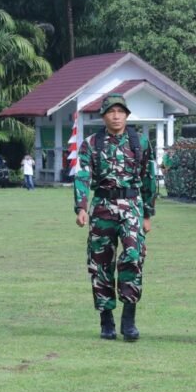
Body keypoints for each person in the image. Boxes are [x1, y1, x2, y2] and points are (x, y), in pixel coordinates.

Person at [74, 93, 157, 341]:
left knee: (133, 257)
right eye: (111, 111)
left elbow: (149, 177)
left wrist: (148, 214)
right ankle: (106, 321)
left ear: (127, 115)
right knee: (101, 263)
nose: (116, 115)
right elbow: (82, 176)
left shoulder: (139, 142)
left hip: (132, 205)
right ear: (103, 116)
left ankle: (128, 319)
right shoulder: (91, 143)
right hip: (102, 207)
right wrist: (81, 207)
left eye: (121, 111)